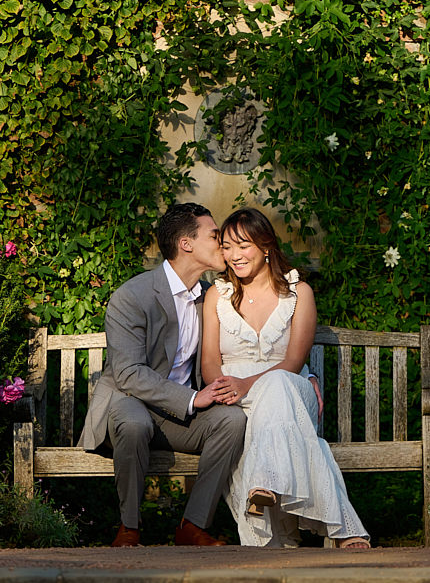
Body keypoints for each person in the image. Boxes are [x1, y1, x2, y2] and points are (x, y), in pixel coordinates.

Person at [78, 203, 247, 547]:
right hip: (130, 403)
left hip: (178, 417)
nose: (223, 243)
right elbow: (127, 373)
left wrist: (303, 375)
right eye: (215, 236)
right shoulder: (132, 296)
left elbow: (254, 345)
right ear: (186, 243)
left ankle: (193, 524)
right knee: (134, 422)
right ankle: (129, 527)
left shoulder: (212, 298)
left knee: (232, 421)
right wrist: (190, 398)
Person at [201, 207, 370, 549]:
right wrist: (227, 390)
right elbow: (209, 364)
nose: (234, 256)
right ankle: (343, 530)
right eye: (227, 248)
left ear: (265, 246)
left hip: (290, 389)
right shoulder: (216, 297)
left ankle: (265, 482)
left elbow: (293, 362)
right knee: (256, 420)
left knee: (277, 386)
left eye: (243, 246)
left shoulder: (298, 293)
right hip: (237, 401)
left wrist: (248, 383)